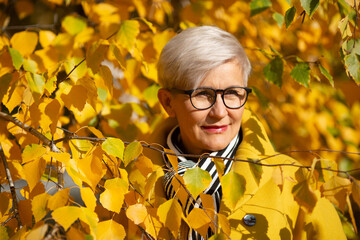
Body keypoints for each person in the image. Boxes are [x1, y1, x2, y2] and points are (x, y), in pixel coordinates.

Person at [148, 26, 346, 239]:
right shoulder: (133, 180)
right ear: (168, 102)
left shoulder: (299, 184)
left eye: (232, 93)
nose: (220, 112)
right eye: (203, 94)